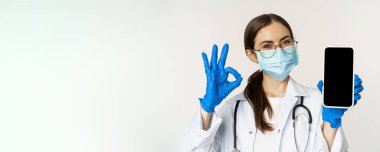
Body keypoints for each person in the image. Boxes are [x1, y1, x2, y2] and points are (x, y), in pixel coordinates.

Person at [181, 14, 364, 152]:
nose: (280, 51)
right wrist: (207, 108)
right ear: (252, 55)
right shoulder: (232, 108)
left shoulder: (318, 100)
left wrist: (331, 121)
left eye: (285, 42)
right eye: (267, 46)